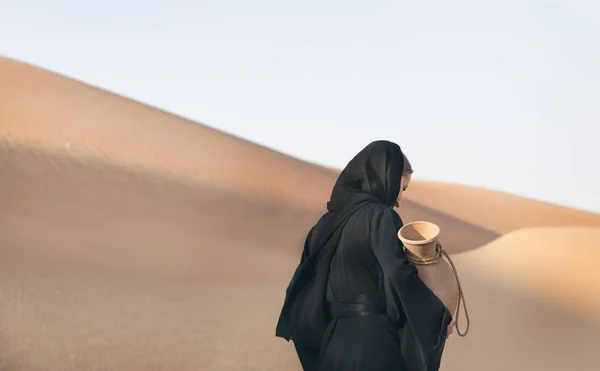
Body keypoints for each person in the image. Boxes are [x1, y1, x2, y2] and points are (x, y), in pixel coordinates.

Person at [276, 140, 452, 371]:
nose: (399, 198)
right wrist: (437, 317)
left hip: (331, 347)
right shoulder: (381, 217)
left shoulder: (324, 224)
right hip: (374, 345)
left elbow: (303, 284)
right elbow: (397, 274)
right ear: (386, 178)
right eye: (402, 187)